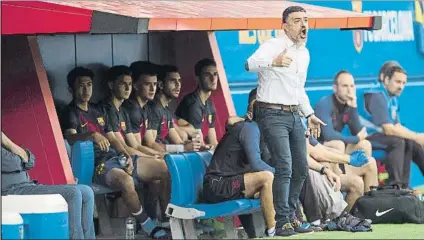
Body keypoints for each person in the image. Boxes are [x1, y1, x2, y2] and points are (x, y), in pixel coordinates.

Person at [60, 66, 170, 239]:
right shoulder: (71, 113)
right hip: (99, 166)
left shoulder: (98, 110)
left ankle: (167, 218)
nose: (86, 89)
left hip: (117, 158)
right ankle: (148, 224)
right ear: (70, 89)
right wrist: (91, 135)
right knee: (127, 181)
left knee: (165, 168)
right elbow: (70, 139)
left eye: (89, 84)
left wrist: (125, 154)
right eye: (81, 85)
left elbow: (113, 139)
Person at [245, 6, 325, 236]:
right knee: (285, 165)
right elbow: (248, 64)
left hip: (294, 114)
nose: (304, 25)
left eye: (306, 20)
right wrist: (273, 61)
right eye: (298, 21)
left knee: (301, 168)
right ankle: (281, 222)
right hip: (271, 112)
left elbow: (298, 89)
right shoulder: (272, 45)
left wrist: (309, 114)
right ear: (285, 26)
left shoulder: (304, 53)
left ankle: (291, 216)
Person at [1, 131, 95, 239]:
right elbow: (12, 163)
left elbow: (31, 161)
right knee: (73, 193)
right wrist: (11, 145)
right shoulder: (5, 146)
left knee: (87, 191)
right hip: (10, 191)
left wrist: (7, 142)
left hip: (27, 186)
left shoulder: (5, 145)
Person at [203, 116, 276, 237]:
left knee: (265, 183)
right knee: (267, 177)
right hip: (217, 185)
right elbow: (256, 163)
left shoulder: (259, 132)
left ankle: (259, 233)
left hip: (230, 183)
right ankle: (273, 230)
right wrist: (280, 175)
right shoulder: (249, 128)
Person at [314, 70, 379, 193]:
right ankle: (344, 180)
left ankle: (368, 198)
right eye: (345, 86)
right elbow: (328, 135)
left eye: (352, 86)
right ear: (335, 88)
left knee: (365, 144)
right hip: (320, 152)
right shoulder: (324, 104)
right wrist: (356, 139)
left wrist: (353, 108)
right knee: (337, 143)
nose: (349, 90)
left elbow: (359, 132)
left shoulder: (348, 104)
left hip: (339, 153)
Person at [363, 64, 424, 189]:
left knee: (410, 142)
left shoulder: (393, 98)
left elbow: (398, 127)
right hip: (363, 139)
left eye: (403, 83)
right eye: (397, 82)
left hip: (380, 137)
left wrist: (416, 138)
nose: (401, 86)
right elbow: (389, 129)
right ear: (386, 80)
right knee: (398, 141)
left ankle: (404, 188)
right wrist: (417, 136)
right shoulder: (377, 95)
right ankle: (395, 187)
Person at [144, 65, 201, 153]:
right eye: (173, 81)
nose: (178, 85)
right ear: (161, 85)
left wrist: (196, 146)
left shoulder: (166, 110)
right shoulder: (154, 108)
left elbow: (179, 142)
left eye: (179, 81)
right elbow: (150, 144)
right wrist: (183, 148)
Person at [123, 61, 164, 156]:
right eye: (147, 84)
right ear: (135, 85)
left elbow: (150, 142)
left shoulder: (145, 107)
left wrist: (164, 154)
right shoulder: (132, 109)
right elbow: (136, 147)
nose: (152, 89)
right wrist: (161, 156)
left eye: (154, 84)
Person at [175, 58, 219, 149]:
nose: (213, 78)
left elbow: (213, 141)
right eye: (207, 75)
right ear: (197, 78)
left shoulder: (209, 105)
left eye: (215, 74)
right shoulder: (193, 104)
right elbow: (199, 142)